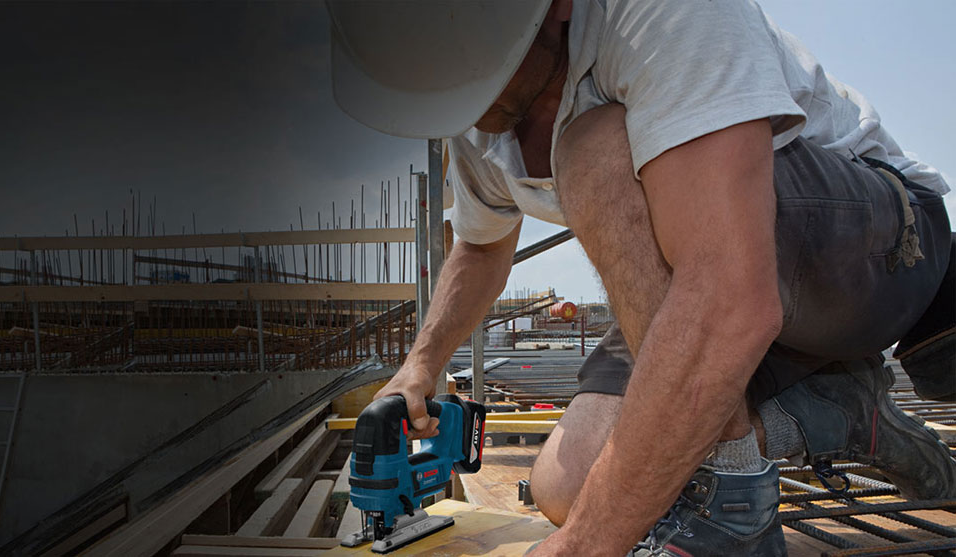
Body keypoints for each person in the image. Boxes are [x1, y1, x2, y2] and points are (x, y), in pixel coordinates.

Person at [327, 1, 955, 554]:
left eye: (477, 80)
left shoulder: (663, 12)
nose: (471, 107)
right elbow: (481, 248)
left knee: (596, 149)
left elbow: (729, 301)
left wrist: (585, 549)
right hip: (718, 279)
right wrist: (421, 364)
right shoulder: (474, 115)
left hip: (878, 253)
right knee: (567, 485)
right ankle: (839, 411)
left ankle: (733, 506)